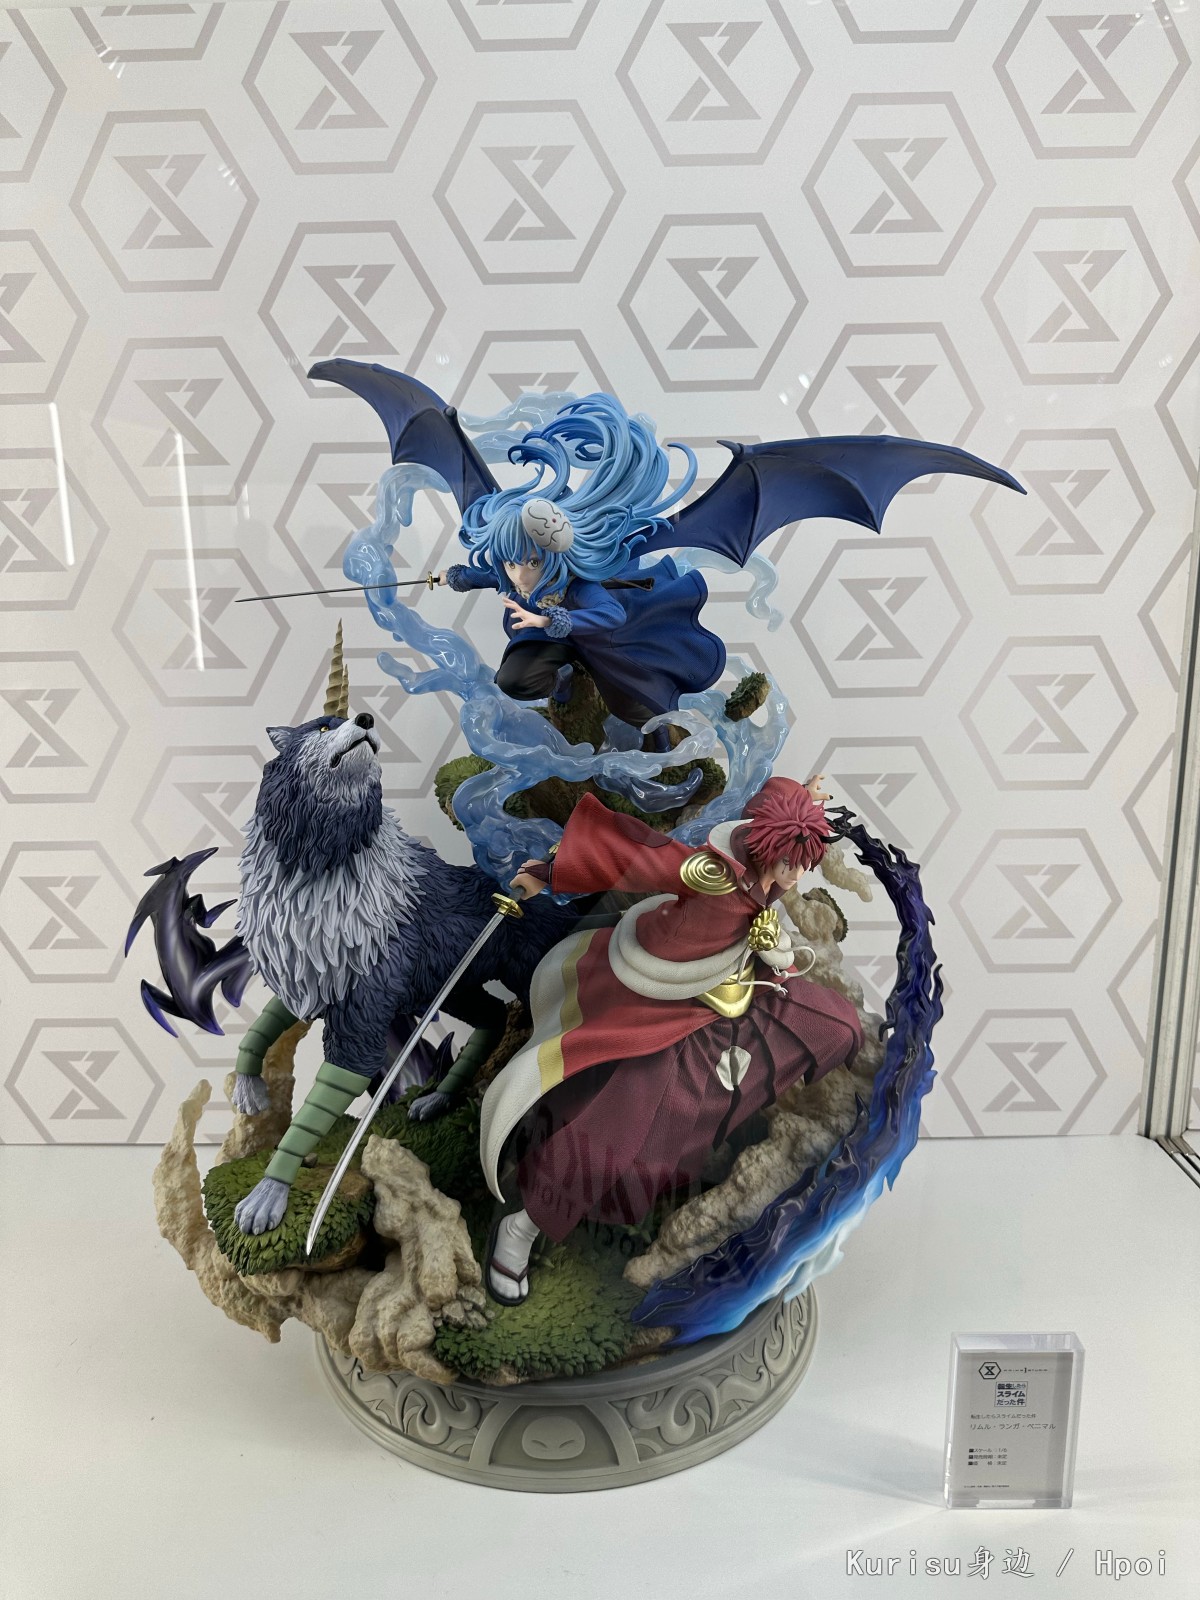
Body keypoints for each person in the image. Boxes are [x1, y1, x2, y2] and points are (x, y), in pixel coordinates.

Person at [478, 774, 864, 1302]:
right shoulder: (708, 874)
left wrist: (806, 799)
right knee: (615, 1137)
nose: (794, 877)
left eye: (803, 865)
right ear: (763, 844)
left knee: (836, 1023)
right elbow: (637, 855)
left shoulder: (772, 869)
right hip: (662, 1007)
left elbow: (777, 805)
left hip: (741, 991)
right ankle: (524, 1226)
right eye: (788, 863)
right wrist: (549, 872)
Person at [435, 392, 725, 746]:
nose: (520, 576)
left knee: (633, 707)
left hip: (599, 640)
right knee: (513, 680)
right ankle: (563, 679)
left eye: (533, 562)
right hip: (546, 639)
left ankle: (665, 755)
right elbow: (492, 575)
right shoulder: (513, 573)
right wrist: (457, 577)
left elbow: (611, 614)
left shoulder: (578, 584)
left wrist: (552, 620)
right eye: (511, 563)